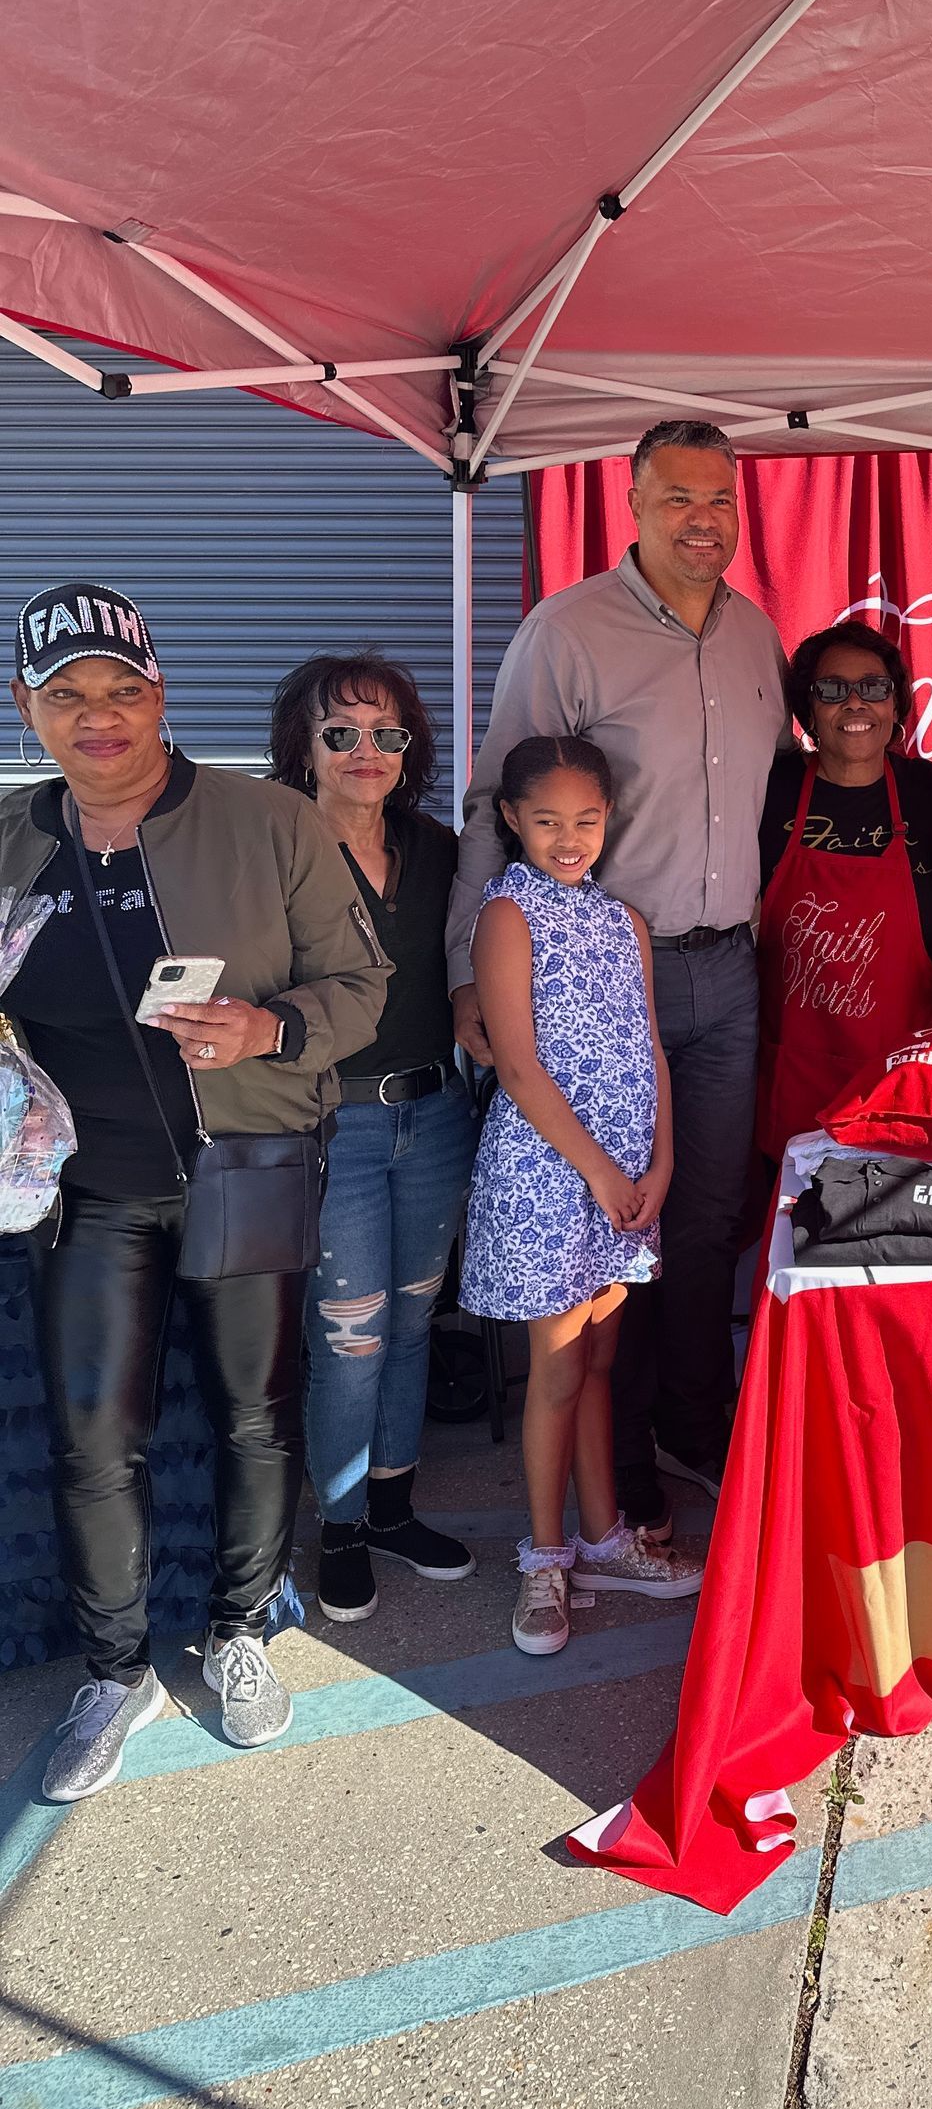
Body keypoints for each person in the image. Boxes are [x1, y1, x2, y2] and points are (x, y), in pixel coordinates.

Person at [0, 586, 389, 1801]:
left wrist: (270, 1026)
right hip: (87, 1192)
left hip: (247, 1167)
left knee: (257, 1416)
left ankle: (235, 1631)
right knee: (90, 1441)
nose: (97, 717)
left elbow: (364, 984)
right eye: (67, 696)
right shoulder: (14, 841)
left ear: (161, 695)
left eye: (121, 689)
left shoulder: (269, 821)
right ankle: (113, 1673)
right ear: (30, 710)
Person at [448, 418, 788, 1519]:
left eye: (722, 500)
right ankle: (624, 1468)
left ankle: (699, 1430)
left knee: (705, 1215)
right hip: (598, 987)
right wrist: (467, 970)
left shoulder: (754, 636)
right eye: (680, 497)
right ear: (633, 503)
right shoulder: (568, 630)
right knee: (619, 1225)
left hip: (726, 970)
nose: (704, 519)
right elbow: (490, 804)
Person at [459, 736, 703, 1657]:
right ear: (513, 819)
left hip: (625, 1183)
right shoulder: (507, 916)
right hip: (552, 1181)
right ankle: (545, 1558)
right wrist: (601, 1172)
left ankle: (605, 1540)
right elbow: (519, 1069)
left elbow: (649, 1053)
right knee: (556, 1373)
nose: (570, 838)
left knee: (601, 1365)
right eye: (549, 821)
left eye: (587, 820)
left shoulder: (622, 920)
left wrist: (663, 1163)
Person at [268, 652, 477, 1625]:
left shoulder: (436, 846)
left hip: (433, 1113)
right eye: (341, 732)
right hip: (334, 1119)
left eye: (387, 733)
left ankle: (392, 1507)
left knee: (411, 1320)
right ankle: (340, 1526)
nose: (366, 750)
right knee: (348, 1337)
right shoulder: (272, 843)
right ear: (302, 745)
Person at [756, 620, 932, 1161]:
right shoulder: (773, 790)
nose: (854, 703)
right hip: (792, 1072)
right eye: (832, 690)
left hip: (901, 1075)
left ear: (896, 706)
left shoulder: (927, 793)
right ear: (809, 712)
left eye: (873, 687)